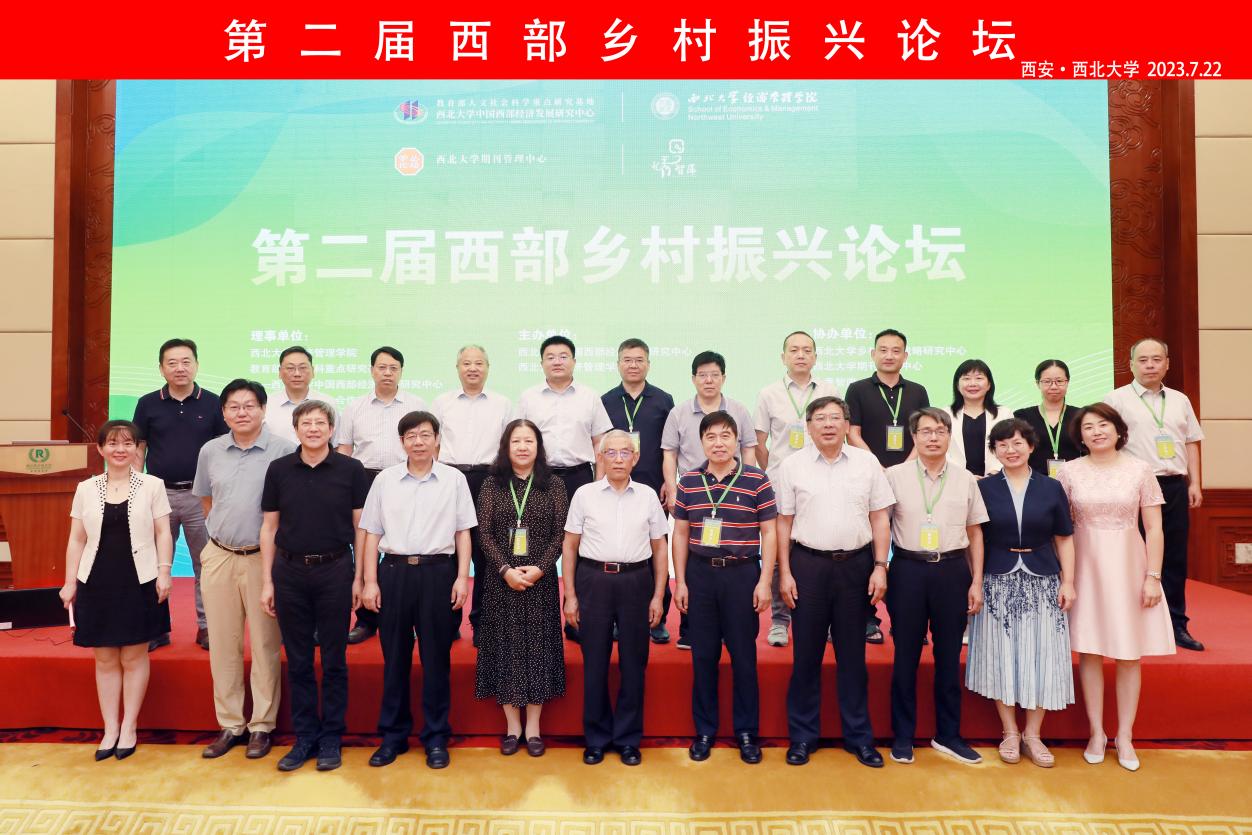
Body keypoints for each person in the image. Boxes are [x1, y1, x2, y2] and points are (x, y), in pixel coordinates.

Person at [775, 396, 894, 768]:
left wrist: (880, 565)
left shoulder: (867, 463)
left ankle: (859, 737)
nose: (828, 424)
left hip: (856, 567)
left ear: (846, 424)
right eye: (820, 418)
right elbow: (783, 523)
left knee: (853, 657)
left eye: (835, 418)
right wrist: (785, 572)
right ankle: (802, 737)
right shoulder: (792, 466)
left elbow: (880, 518)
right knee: (806, 656)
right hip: (807, 566)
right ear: (808, 426)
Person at [1058, 403, 1174, 772]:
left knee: (1128, 653)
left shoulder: (1140, 469)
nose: (1096, 432)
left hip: (1128, 565)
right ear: (1080, 436)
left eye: (1103, 424)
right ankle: (1096, 732)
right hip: (1085, 566)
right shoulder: (1069, 472)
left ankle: (1125, 735)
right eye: (1088, 427)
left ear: (1118, 429)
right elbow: (1061, 529)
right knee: (1090, 651)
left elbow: (1154, 528)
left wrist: (1153, 576)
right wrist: (1065, 577)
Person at [359, 410, 475, 770]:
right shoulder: (385, 480)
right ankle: (393, 736)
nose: (419, 442)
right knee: (394, 658)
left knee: (436, 660)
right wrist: (369, 581)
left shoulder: (454, 480)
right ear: (402, 442)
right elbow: (371, 533)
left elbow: (463, 533)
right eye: (411, 436)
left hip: (439, 573)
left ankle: (436, 736)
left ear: (437, 439)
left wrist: (462, 577)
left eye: (425, 435)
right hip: (393, 573)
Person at [260, 400, 369, 772]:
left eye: (320, 422)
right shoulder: (279, 470)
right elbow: (269, 528)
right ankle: (305, 737)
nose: (313, 429)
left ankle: (331, 737)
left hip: (335, 570)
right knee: (299, 660)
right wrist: (267, 581)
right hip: (289, 572)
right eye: (306, 423)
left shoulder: (351, 469)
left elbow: (361, 528)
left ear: (331, 429)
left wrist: (360, 578)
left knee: (335, 660)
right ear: (296, 429)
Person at [193, 380, 296, 761]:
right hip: (220, 555)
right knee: (223, 643)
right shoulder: (210, 451)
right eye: (233, 406)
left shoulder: (285, 450)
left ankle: (262, 725)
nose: (242, 412)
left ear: (264, 409)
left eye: (249, 405)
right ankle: (231, 723)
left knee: (266, 643)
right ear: (223, 413)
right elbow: (207, 500)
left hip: (263, 559)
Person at [59, 420, 173, 760]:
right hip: (96, 581)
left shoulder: (152, 485)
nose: (120, 449)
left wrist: (164, 572)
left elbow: (163, 533)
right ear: (100, 449)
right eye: (112, 443)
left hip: (140, 579)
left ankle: (129, 727)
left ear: (138, 448)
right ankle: (110, 727)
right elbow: (76, 539)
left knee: (135, 656)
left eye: (127, 443)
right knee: (105, 658)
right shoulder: (86, 488)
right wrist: (69, 581)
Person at [966, 418, 1077, 769]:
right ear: (994, 451)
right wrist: (975, 580)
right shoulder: (984, 488)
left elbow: (1064, 538)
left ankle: (1033, 733)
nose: (1010, 450)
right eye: (1002, 445)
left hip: (1042, 579)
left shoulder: (1051, 487)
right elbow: (975, 538)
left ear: (1031, 446)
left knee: (1042, 654)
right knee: (1000, 655)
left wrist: (1068, 581)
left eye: (1017, 443)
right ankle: (1010, 731)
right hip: (997, 579)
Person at [883, 407, 988, 766]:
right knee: (905, 656)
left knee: (948, 656)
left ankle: (948, 734)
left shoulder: (965, 479)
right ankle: (902, 735)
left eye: (940, 431)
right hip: (908, 571)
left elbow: (975, 532)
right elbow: (880, 525)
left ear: (949, 437)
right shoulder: (894, 476)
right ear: (913, 437)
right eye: (925, 431)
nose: (933, 437)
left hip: (953, 571)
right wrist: (880, 567)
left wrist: (976, 580)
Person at [673, 411, 776, 764]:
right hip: (701, 576)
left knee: (744, 657)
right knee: (703, 657)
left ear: (736, 440)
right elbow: (681, 534)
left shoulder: (756, 479)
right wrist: (681, 581)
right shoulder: (689, 481)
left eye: (725, 436)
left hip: (741, 576)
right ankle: (705, 730)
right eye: (711, 437)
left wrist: (765, 581)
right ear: (701, 442)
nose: (718, 443)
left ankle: (746, 732)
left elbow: (769, 532)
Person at [562, 430, 668, 766]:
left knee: (634, 663)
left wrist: (658, 596)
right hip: (594, 580)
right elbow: (570, 546)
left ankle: (627, 739)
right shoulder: (584, 495)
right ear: (601, 457)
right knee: (594, 662)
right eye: (611, 452)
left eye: (625, 453)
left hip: (636, 581)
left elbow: (659, 548)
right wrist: (570, 595)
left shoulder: (648, 496)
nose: (618, 459)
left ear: (635, 458)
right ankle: (595, 738)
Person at [473, 419, 568, 757]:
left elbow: (561, 533)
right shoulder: (492, 484)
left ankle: (534, 728)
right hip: (501, 582)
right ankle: (512, 727)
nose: (523, 447)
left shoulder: (554, 484)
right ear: (506, 447)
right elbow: (483, 534)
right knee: (506, 649)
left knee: (538, 650)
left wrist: (541, 568)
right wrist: (505, 570)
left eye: (529, 441)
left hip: (540, 581)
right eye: (516, 441)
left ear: (538, 447)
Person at [1104, 338, 1205, 652]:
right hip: (1133, 488)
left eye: (1156, 359)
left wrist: (1195, 483)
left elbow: (1191, 442)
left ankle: (1176, 625)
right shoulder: (1116, 399)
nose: (1150, 365)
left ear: (1167, 363)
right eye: (1143, 360)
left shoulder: (1179, 400)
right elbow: (1104, 442)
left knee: (1174, 556)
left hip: (1173, 485)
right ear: (1131, 364)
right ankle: (1128, 625)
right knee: (1132, 556)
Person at [132, 337, 228, 651]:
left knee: (207, 564)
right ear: (161, 368)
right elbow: (139, 448)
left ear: (197, 365)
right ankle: (156, 629)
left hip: (201, 497)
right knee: (154, 563)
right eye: (172, 363)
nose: (180, 368)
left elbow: (223, 451)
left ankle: (207, 628)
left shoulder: (213, 403)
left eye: (186, 361)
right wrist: (136, 490)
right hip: (158, 495)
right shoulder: (148, 403)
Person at [518, 335, 613, 642]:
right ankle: (537, 621)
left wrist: (599, 485)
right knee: (536, 547)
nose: (557, 361)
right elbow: (519, 441)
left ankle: (578, 620)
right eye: (550, 356)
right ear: (541, 363)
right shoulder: (528, 397)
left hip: (578, 478)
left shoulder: (589, 397)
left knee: (583, 548)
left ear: (573, 361)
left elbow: (600, 444)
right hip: (539, 480)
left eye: (563, 356)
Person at [845, 328, 931, 646]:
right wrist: (876, 466)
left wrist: (904, 467)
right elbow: (851, 432)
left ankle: (905, 620)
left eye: (896, 350)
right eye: (883, 349)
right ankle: (868, 619)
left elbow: (924, 432)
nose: (889, 355)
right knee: (870, 550)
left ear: (905, 356)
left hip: (909, 477)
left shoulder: (918, 391)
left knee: (908, 549)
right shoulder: (857, 389)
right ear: (873, 354)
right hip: (869, 476)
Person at [753, 331, 839, 649]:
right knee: (781, 552)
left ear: (815, 356)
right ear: (783, 357)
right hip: (780, 484)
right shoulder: (768, 393)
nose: (800, 355)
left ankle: (826, 620)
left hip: (822, 481)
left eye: (806, 350)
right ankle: (780, 620)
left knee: (822, 549)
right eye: (794, 350)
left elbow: (837, 434)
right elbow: (760, 442)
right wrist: (777, 470)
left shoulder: (829, 391)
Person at [337, 346, 425, 645]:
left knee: (407, 547)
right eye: (382, 367)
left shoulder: (415, 405)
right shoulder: (354, 407)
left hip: (406, 479)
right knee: (365, 547)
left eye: (393, 368)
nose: (387, 373)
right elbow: (344, 449)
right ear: (372, 370)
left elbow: (428, 447)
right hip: (364, 478)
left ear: (401, 371)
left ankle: (411, 618)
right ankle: (366, 619)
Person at [431, 345, 514, 645]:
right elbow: (433, 444)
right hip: (450, 477)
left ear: (488, 367)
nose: (473, 368)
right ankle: (447, 621)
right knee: (447, 551)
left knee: (486, 553)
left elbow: (509, 446)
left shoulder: (503, 404)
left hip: (490, 480)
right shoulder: (442, 402)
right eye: (466, 363)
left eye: (479, 363)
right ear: (458, 368)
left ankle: (482, 622)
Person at [602, 337, 677, 644]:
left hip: (653, 491)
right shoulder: (606, 401)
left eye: (639, 360)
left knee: (655, 553)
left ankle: (657, 618)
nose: (633, 365)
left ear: (648, 363)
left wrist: (669, 482)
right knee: (620, 554)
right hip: (615, 491)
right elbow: (600, 448)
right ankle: (618, 619)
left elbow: (670, 447)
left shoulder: (663, 400)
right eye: (627, 360)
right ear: (618, 364)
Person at [1014, 360, 1081, 477]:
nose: (1054, 386)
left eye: (1059, 381)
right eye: (1047, 381)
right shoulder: (1022, 416)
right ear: (1037, 383)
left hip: (1075, 480)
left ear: (1067, 382)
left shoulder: (1081, 415)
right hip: (1033, 481)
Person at [947, 359, 1009, 478]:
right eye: (966, 378)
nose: (972, 383)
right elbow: (942, 452)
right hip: (955, 479)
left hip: (995, 479)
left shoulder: (1004, 414)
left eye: (979, 378)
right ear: (957, 385)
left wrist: (992, 475)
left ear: (989, 384)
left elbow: (1009, 448)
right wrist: (966, 477)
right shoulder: (945, 414)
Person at [265, 346, 338, 445]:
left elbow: (336, 443)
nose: (297, 374)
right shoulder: (267, 404)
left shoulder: (328, 402)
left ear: (312, 371)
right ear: (280, 372)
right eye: (290, 368)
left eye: (303, 368)